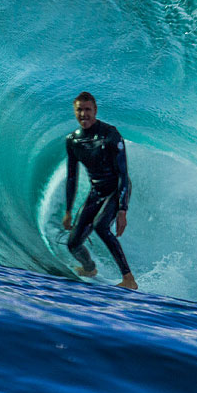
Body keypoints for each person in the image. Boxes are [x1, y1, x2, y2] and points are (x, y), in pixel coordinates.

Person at [62, 91, 138, 290]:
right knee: (73, 243)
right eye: (79, 110)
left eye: (88, 109)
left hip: (117, 188)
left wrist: (123, 210)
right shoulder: (73, 141)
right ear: (74, 112)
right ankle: (89, 268)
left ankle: (129, 279)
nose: (83, 114)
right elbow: (72, 177)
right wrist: (69, 211)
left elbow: (123, 173)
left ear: (95, 111)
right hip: (97, 191)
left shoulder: (110, 135)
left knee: (101, 226)